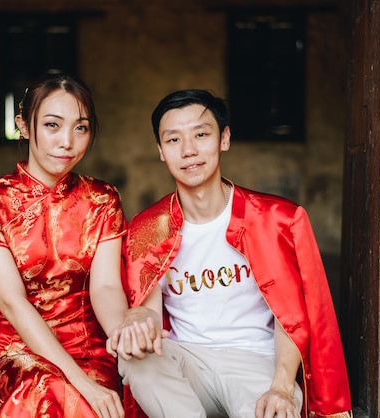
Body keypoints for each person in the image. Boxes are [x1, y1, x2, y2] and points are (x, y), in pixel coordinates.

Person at [110, 89, 352, 418]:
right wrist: (137, 317)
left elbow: (294, 317)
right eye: (174, 140)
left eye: (200, 134)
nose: (189, 151)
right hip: (187, 363)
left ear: (224, 138)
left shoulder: (276, 220)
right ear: (161, 151)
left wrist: (281, 385)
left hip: (257, 364)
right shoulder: (148, 228)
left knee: (273, 411)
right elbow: (150, 313)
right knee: (136, 360)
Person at [0, 72, 128, 418]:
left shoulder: (102, 199)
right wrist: (80, 381)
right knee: (52, 390)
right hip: (11, 350)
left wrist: (122, 338)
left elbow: (108, 287)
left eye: (80, 128)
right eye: (53, 125)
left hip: (89, 350)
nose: (67, 141)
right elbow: (12, 303)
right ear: (23, 126)